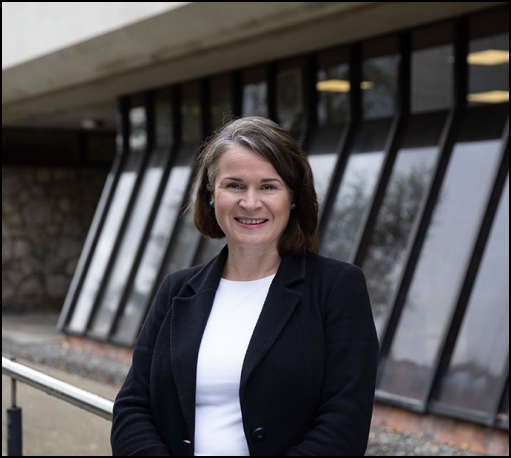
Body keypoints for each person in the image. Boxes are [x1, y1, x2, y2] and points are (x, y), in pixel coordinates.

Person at [111, 116, 379, 456]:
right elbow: (132, 406)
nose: (250, 203)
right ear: (211, 195)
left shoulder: (337, 288)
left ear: (293, 197)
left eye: (268, 187)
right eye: (234, 186)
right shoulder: (177, 289)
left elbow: (344, 426)